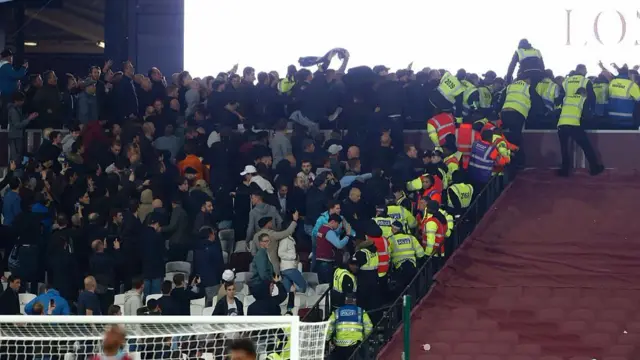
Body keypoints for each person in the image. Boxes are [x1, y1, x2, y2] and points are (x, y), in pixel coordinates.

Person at [557, 87, 605, 177]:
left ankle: (564, 171)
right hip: (574, 125)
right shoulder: (583, 99)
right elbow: (587, 116)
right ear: (584, 94)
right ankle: (594, 168)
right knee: (587, 147)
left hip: (562, 125)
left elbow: (559, 110)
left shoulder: (566, 98)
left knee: (564, 149)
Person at [327, 293, 373, 360]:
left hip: (339, 346)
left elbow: (328, 327)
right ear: (355, 301)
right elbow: (369, 327)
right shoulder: (360, 312)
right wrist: (364, 338)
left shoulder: (337, 312)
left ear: (345, 301)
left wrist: (327, 339)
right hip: (355, 347)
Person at [388, 221, 425, 290]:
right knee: (413, 287)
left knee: (402, 289)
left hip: (400, 267)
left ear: (395, 229)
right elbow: (420, 253)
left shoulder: (391, 240)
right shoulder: (411, 237)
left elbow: (388, 256)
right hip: (412, 266)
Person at [315, 214, 351, 284]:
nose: (338, 227)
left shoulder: (321, 228)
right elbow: (339, 245)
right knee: (328, 286)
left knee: (322, 286)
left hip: (319, 261)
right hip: (326, 263)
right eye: (338, 224)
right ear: (333, 222)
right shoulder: (329, 232)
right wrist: (347, 235)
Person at [193, 227, 224, 306]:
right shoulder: (214, 247)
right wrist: (221, 278)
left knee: (202, 304)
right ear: (210, 235)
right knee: (213, 304)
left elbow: (195, 265)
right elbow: (219, 264)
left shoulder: (196, 248)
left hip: (201, 281)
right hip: (213, 280)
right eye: (213, 233)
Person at [7, 91, 38, 161]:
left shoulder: (17, 109)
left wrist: (30, 117)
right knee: (16, 156)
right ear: (16, 101)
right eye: (21, 100)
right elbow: (18, 125)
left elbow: (20, 120)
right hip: (15, 136)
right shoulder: (13, 111)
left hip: (17, 135)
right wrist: (29, 119)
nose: (23, 102)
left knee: (18, 155)